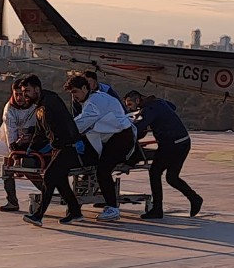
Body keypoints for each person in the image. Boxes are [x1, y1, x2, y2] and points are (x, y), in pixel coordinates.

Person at [20, 74, 88, 227]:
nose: (25, 95)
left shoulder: (51, 101)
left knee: (49, 177)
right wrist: (33, 147)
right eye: (24, 92)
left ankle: (38, 215)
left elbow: (67, 120)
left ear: (37, 89)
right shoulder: (39, 108)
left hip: (68, 147)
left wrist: (76, 140)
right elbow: (39, 132)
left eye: (27, 91)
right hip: (58, 148)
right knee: (61, 181)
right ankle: (75, 212)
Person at [124, 90, 203, 219]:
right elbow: (172, 106)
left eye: (130, 104)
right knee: (172, 177)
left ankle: (157, 209)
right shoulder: (159, 102)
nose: (129, 108)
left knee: (155, 172)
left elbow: (137, 130)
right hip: (183, 142)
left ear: (138, 101)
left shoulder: (148, 109)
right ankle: (194, 198)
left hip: (171, 145)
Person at [65, 76, 135, 222]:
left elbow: (86, 120)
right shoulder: (96, 99)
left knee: (103, 170)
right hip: (116, 136)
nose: (74, 96)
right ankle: (108, 203)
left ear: (85, 89)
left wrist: (65, 130)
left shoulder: (94, 102)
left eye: (75, 92)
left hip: (120, 138)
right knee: (101, 169)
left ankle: (112, 208)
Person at [0, 78, 39, 212]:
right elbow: (10, 131)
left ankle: (47, 191)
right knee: (7, 169)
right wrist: (14, 154)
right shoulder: (9, 107)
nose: (19, 98)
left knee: (30, 169)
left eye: (21, 94)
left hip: (30, 139)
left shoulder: (35, 106)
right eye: (16, 94)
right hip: (10, 139)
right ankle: (12, 201)